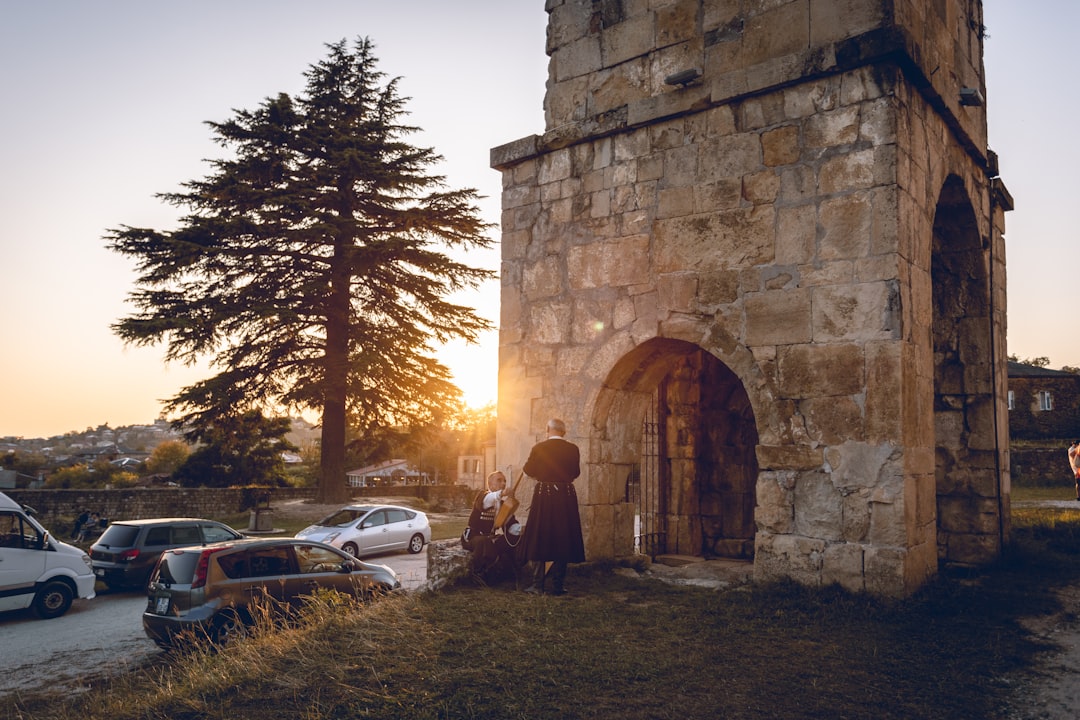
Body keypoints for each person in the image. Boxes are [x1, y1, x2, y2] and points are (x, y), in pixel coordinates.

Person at [520, 418, 585, 596]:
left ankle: (537, 585)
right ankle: (558, 586)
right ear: (563, 431)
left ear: (548, 429)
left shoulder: (539, 448)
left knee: (540, 535)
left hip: (544, 496)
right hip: (566, 496)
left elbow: (528, 471)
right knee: (563, 537)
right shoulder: (573, 449)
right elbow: (576, 473)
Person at [461, 471, 521, 582]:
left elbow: (510, 524)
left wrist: (521, 530)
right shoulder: (483, 496)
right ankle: (479, 575)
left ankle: (511, 573)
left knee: (515, 538)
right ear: (490, 483)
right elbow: (490, 499)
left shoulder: (503, 505)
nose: (503, 483)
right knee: (483, 541)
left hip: (490, 538)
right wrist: (502, 493)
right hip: (473, 537)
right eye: (499, 480)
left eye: (505, 481)